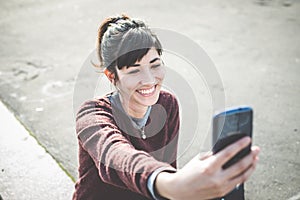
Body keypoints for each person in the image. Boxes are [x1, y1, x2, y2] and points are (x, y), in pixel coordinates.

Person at [72, 14, 260, 200]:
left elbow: (168, 168)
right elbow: (116, 156)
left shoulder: (167, 104)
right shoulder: (92, 114)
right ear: (111, 76)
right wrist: (172, 184)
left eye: (155, 65)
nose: (149, 80)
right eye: (134, 70)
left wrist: (181, 184)